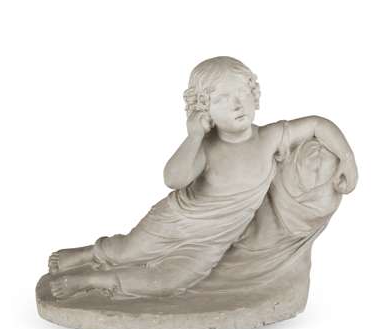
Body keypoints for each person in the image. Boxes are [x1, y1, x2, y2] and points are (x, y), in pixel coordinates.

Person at [49, 56, 357, 299]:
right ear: (203, 109)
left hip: (212, 242)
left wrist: (347, 159)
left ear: (255, 95)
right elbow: (173, 178)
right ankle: (90, 254)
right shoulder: (206, 148)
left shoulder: (269, 138)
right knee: (128, 250)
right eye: (222, 98)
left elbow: (317, 124)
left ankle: (94, 280)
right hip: (176, 221)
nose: (237, 104)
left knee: (168, 282)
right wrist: (194, 137)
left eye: (242, 92)